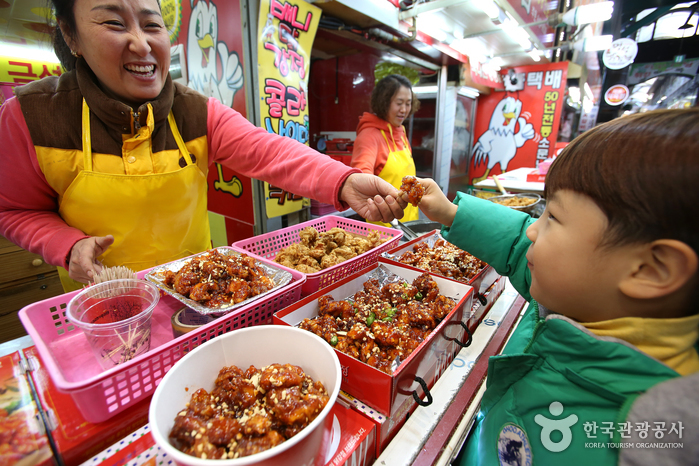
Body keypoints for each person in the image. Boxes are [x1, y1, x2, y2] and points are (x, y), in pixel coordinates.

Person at [0, 0, 408, 291]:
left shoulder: (196, 111)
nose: (141, 44)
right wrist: (65, 244)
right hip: (102, 305)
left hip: (198, 293)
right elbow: (15, 210)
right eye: (113, 23)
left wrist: (342, 181)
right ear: (71, 36)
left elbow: (269, 151)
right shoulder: (30, 117)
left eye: (151, 24)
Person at [413, 108, 699, 465]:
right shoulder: (587, 297)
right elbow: (519, 246)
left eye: (553, 217)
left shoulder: (649, 441)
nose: (533, 229)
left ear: (651, 270)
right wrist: (451, 214)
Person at [351, 74, 420, 227]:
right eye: (399, 103)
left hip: (411, 223)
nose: (404, 110)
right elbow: (359, 178)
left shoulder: (401, 133)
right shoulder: (369, 135)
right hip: (384, 229)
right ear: (384, 102)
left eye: (408, 103)